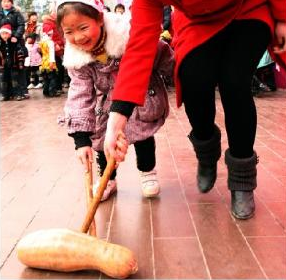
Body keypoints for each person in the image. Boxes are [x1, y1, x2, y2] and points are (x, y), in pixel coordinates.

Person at [104, 1, 286, 219]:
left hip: (247, 9)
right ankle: (206, 148)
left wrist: (283, 16)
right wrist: (116, 120)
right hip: (196, 21)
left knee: (235, 83)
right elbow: (140, 47)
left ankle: (243, 180)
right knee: (192, 79)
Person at [56, 0, 174, 201]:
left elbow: (162, 54)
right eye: (69, 31)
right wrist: (81, 140)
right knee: (101, 140)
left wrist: (178, 76)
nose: (78, 37)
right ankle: (107, 178)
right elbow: (79, 94)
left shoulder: (127, 36)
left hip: (138, 96)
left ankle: (148, 171)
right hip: (107, 101)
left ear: (100, 19)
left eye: (83, 27)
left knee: (142, 135)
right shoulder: (77, 59)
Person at [0, 23, 26, 101]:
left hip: (14, 65)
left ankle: (18, 94)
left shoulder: (14, 42)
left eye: (6, 33)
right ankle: (5, 95)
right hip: (4, 66)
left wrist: (20, 63)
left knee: (15, 80)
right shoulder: (0, 43)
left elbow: (20, 53)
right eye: (2, 34)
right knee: (4, 80)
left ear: (10, 34)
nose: (4, 35)